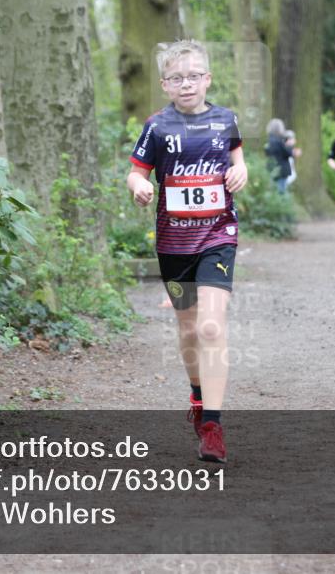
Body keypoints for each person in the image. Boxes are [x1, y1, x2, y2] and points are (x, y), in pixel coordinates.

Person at [127, 39, 247, 463]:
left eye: (194, 75)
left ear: (208, 78)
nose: (186, 84)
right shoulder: (156, 126)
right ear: (165, 84)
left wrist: (241, 170)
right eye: (177, 78)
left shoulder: (225, 119)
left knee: (212, 328)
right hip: (174, 244)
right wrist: (140, 185)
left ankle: (212, 426)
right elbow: (136, 172)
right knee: (189, 329)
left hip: (218, 235)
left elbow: (237, 160)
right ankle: (198, 399)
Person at [264, 119, 294, 194]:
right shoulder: (279, 141)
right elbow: (288, 153)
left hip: (272, 169)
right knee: (281, 192)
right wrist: (290, 145)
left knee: (275, 191)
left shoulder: (269, 140)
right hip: (281, 170)